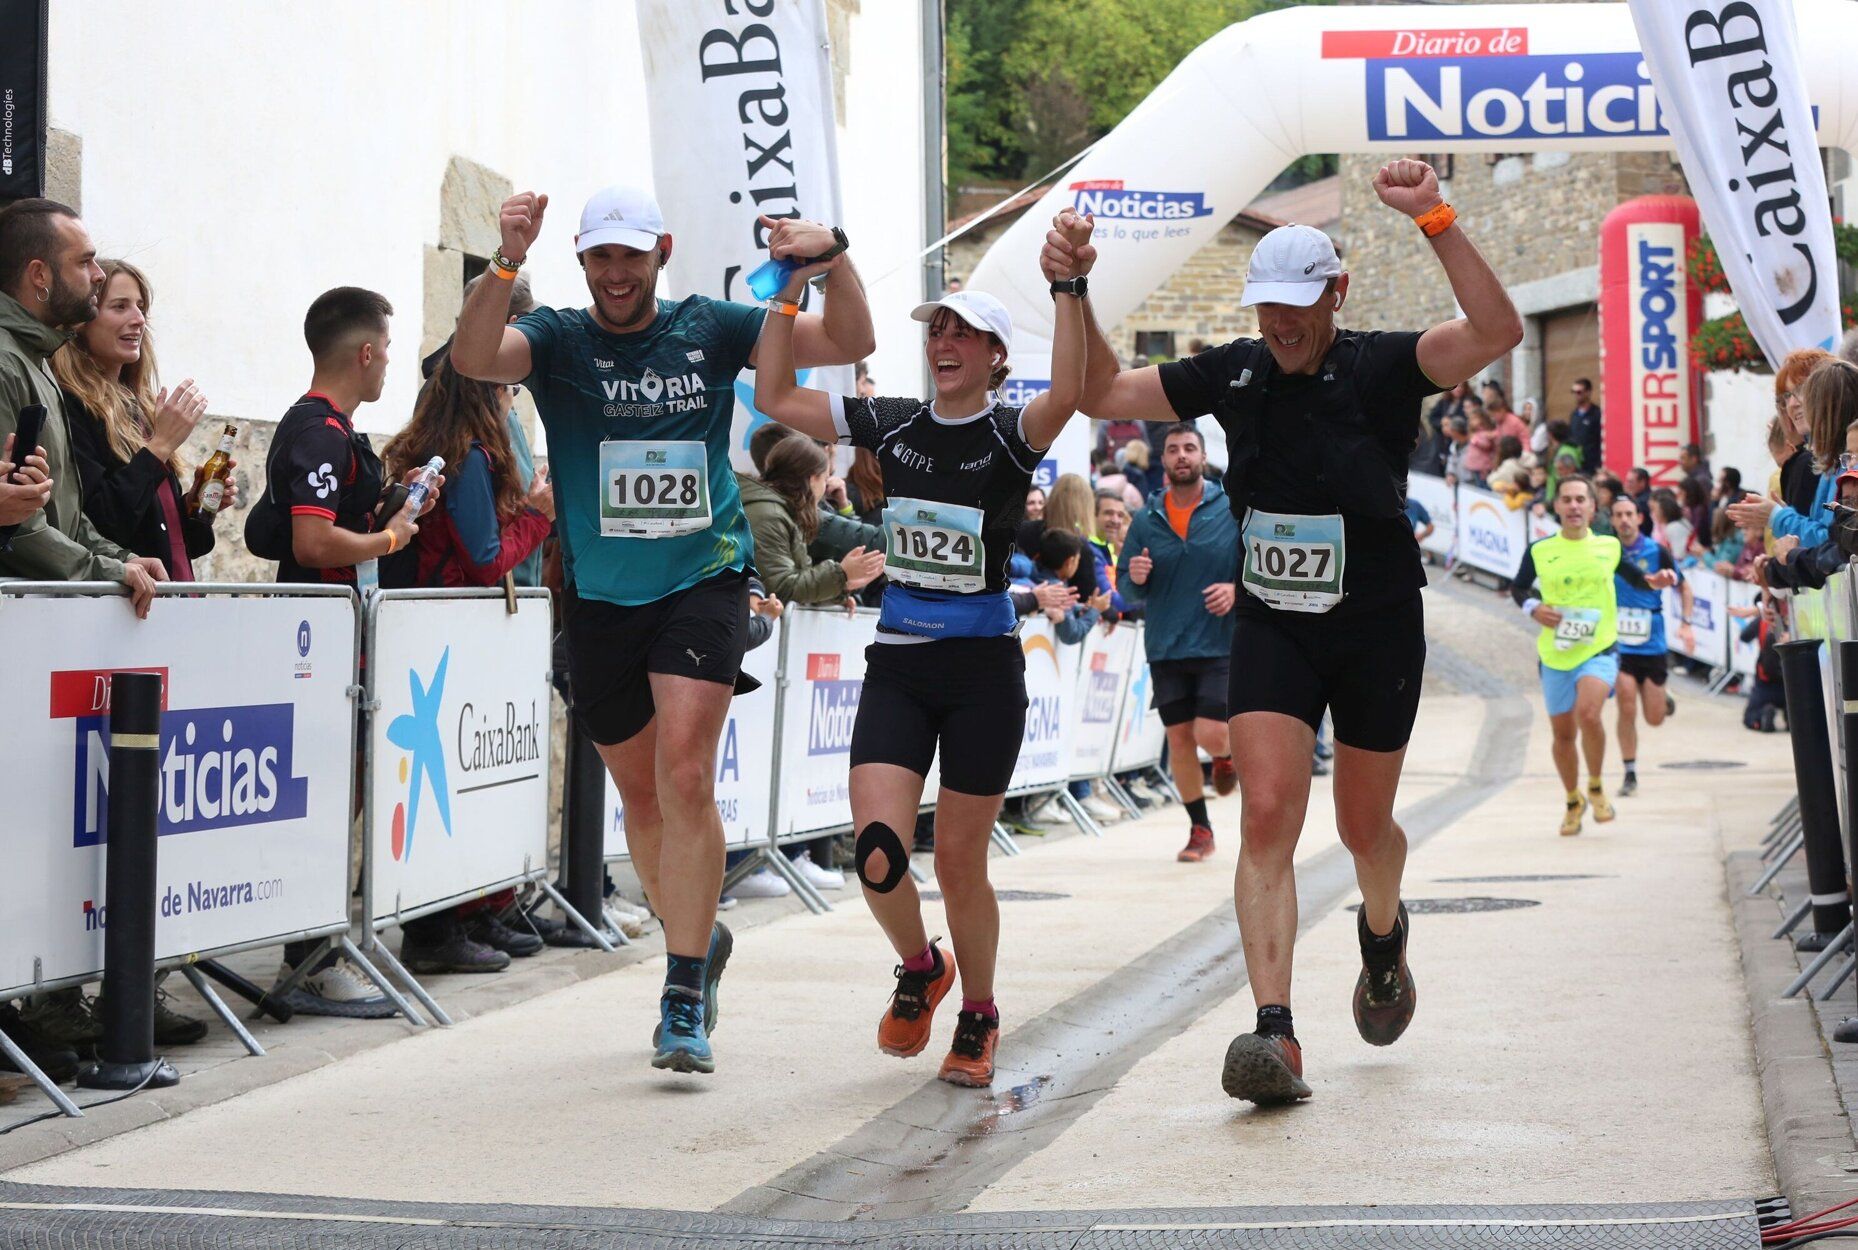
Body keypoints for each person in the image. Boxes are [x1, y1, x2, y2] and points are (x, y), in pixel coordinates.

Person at [1055, 159, 1523, 1104]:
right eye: (1266, 306)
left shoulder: (1386, 364)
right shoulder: (1234, 370)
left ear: (1336, 294)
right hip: (1275, 621)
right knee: (1267, 814)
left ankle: (1383, 935)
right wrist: (1073, 286)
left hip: (1377, 627)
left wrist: (1433, 214)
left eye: (1297, 306)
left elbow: (1498, 331)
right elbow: (1101, 390)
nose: (1280, 325)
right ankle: (1275, 1034)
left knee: (1361, 825)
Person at [450, 181, 873, 1074]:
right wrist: (507, 255)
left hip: (702, 578)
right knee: (641, 797)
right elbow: (476, 356)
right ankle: (699, 934)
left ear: (661, 253)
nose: (615, 273)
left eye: (630, 256)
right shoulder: (561, 338)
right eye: (600, 256)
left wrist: (832, 258)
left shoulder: (712, 326)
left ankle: (682, 989)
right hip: (602, 595)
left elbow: (848, 340)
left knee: (686, 774)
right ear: (581, 259)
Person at [752, 211, 1091, 1089]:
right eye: (935, 327)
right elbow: (776, 398)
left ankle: (978, 1011)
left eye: (962, 332)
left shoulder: (1014, 431)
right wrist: (794, 287)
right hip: (900, 663)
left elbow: (1077, 386)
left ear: (992, 356)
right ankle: (920, 967)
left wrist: (1069, 286)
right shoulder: (893, 422)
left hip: (982, 671)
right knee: (877, 851)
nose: (943, 340)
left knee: (961, 862)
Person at [260, 286, 434, 1016]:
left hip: (340, 645)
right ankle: (311, 959)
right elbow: (312, 539)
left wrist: (402, 501)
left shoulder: (335, 431)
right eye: (386, 351)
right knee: (330, 800)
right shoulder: (319, 432)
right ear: (364, 353)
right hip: (317, 650)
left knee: (344, 799)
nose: (389, 363)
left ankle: (323, 948)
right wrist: (391, 538)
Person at [0, 199, 160, 614]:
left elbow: (63, 511)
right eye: (84, 262)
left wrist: (119, 559)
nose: (98, 274)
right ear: (40, 275)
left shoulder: (38, 360)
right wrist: (99, 569)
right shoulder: (6, 363)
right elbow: (16, 520)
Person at [1511, 476, 1676, 835]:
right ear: (1556, 506)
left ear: (1591, 507)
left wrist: (1658, 580)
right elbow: (1518, 587)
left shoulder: (1608, 547)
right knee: (1563, 734)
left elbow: (1637, 579)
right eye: (1566, 499)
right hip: (1555, 654)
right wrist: (1534, 608)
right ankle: (1573, 799)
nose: (1573, 506)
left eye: (1580, 500)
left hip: (1600, 648)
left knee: (1589, 713)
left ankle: (1597, 785)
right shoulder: (1540, 549)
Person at [54, 259, 228, 583]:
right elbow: (100, 524)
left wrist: (195, 505)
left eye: (141, 307)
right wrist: (159, 447)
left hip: (168, 600)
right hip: (122, 606)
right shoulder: (70, 405)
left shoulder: (140, 407)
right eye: (119, 307)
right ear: (82, 322)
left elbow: (173, 541)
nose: (138, 320)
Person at [1118, 423, 1239, 862]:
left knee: (1210, 732)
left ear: (1203, 457)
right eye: (1173, 450)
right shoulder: (1147, 519)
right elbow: (1125, 587)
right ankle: (1200, 830)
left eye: (1190, 448)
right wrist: (1134, 578)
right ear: (1163, 460)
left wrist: (1236, 591)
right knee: (1179, 739)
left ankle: (1225, 757)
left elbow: (1256, 564)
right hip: (1167, 643)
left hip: (1220, 642)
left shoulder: (1230, 507)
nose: (1182, 455)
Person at [1607, 496, 1693, 798]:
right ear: (1612, 520)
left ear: (1639, 518)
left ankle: (1663, 698)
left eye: (1629, 514)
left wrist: (1686, 623)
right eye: (1618, 515)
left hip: (1652, 641)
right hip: (1620, 644)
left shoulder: (1656, 551)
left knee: (1654, 719)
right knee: (1625, 701)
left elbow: (1683, 586)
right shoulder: (1607, 550)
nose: (1624, 520)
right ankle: (1629, 772)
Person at [1568, 377, 1603, 475]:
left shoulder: (1597, 414)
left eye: (1579, 392)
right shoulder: (1574, 415)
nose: (1576, 395)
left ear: (1588, 392)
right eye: (1573, 392)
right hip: (1577, 464)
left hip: (1592, 465)